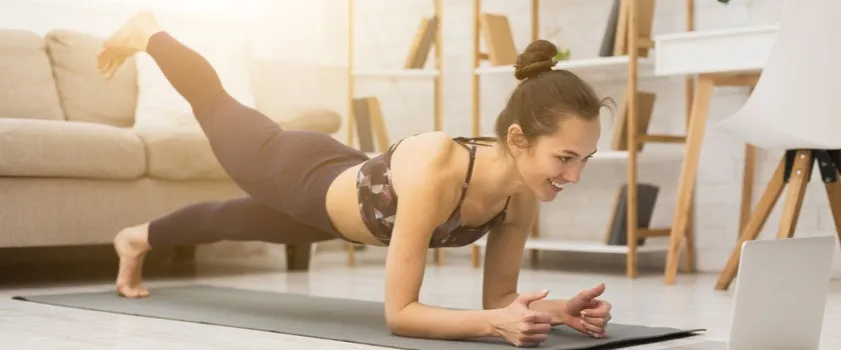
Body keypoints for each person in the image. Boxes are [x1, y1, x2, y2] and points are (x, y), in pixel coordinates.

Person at [98, 12, 615, 348]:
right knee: (215, 105)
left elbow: (500, 299)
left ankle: (134, 237)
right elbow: (401, 314)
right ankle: (149, 33)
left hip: (335, 205)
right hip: (294, 168)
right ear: (520, 140)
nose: (574, 175)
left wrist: (556, 312)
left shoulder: (519, 197)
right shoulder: (442, 166)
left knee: (229, 219)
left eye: (585, 159)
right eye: (565, 157)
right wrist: (492, 327)